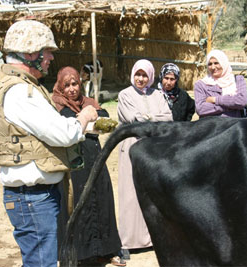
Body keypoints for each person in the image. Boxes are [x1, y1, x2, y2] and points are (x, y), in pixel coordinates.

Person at [0, 20, 98, 267]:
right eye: (46, 51)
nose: (49, 57)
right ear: (30, 52)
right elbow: (63, 134)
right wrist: (85, 115)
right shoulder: (20, 93)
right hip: (33, 199)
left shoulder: (17, 87)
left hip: (33, 197)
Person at [52, 66, 125, 266]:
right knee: (78, 204)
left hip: (95, 159)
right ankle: (79, 254)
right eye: (67, 85)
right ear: (60, 87)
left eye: (75, 84)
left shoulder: (88, 103)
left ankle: (106, 250)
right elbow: (65, 130)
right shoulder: (56, 107)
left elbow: (105, 118)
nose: (72, 89)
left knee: (101, 200)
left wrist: (89, 118)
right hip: (74, 164)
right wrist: (85, 119)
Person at [117, 59, 172, 259]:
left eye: (145, 75)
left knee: (153, 193)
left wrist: (148, 117)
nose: (141, 79)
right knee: (130, 194)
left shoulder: (157, 94)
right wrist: (152, 118)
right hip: (132, 147)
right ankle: (128, 241)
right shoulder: (125, 95)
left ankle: (152, 239)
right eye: (138, 74)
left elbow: (168, 118)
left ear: (150, 76)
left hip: (154, 149)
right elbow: (134, 120)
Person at [194, 49, 247, 118]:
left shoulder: (238, 80)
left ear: (223, 63)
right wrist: (232, 106)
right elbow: (201, 109)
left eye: (216, 63)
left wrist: (215, 100)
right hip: (212, 126)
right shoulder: (201, 84)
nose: (213, 67)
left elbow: (241, 101)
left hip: (234, 125)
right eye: (210, 64)